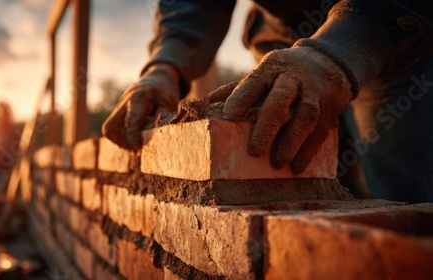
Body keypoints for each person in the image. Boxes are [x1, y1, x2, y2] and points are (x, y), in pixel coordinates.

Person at [102, 0, 433, 203]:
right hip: (280, 31)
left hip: (384, 23)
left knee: (396, 177)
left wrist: (345, 50)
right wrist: (164, 66)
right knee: (302, 182)